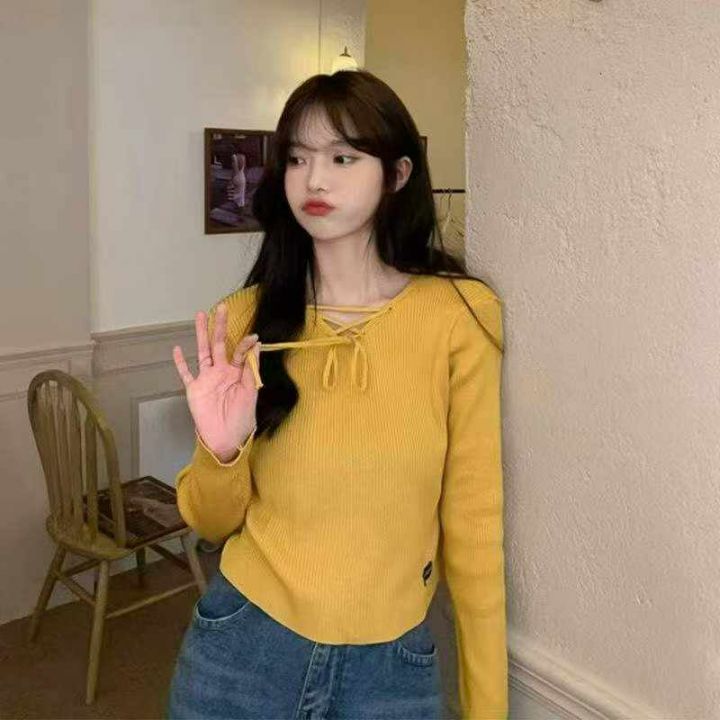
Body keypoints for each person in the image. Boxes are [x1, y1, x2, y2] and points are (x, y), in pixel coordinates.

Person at [167, 69, 507, 719]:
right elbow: (209, 522)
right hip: (242, 648)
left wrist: (487, 708)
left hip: (391, 666)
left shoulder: (460, 316)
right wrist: (221, 449)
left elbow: (475, 528)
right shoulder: (244, 320)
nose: (314, 180)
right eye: (298, 159)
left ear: (398, 174)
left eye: (343, 158)